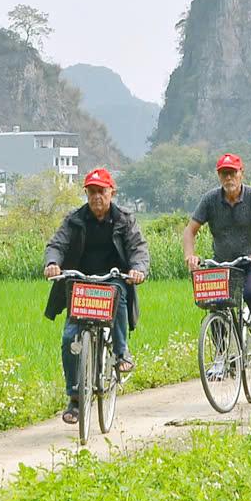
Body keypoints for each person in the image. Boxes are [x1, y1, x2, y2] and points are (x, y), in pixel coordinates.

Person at [43, 167, 149, 426]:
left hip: (113, 278)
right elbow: (57, 244)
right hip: (81, 281)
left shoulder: (124, 219)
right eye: (91, 192)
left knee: (118, 295)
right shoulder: (75, 219)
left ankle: (122, 352)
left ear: (112, 192)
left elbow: (138, 248)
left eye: (101, 191)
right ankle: (75, 397)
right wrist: (53, 263)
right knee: (69, 337)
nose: (97, 197)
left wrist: (137, 269)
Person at [182, 152, 251, 366]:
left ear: (241, 173)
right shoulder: (210, 200)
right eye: (224, 173)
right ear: (219, 176)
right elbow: (190, 231)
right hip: (223, 263)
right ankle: (220, 355)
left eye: (232, 173)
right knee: (214, 303)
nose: (228, 178)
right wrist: (190, 255)